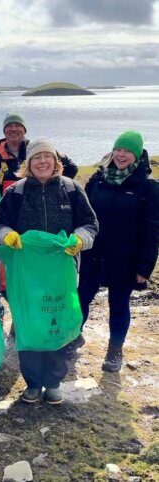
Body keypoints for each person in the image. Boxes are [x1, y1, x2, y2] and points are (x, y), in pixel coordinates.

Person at [0, 137, 98, 404]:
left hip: (60, 275)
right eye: (36, 158)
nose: (42, 162)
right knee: (29, 326)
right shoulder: (15, 192)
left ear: (56, 161)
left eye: (47, 157)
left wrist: (79, 239)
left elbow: (90, 224)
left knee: (55, 323)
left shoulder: (72, 189)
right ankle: (32, 382)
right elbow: (0, 225)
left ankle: (53, 381)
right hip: (27, 275)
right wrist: (7, 236)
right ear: (29, 163)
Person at [77, 131, 159, 372]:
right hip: (93, 254)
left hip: (125, 258)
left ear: (137, 155)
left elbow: (152, 229)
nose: (121, 155)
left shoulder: (148, 188)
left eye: (127, 151)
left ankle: (115, 350)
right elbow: (83, 215)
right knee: (80, 297)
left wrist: (145, 266)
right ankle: (73, 337)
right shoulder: (97, 179)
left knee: (119, 302)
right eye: (118, 150)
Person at [0, 112, 78, 194]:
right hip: (8, 209)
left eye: (18, 125)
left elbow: (71, 169)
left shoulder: (38, 150)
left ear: (24, 130)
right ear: (4, 131)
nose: (13, 129)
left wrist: (52, 191)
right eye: (9, 125)